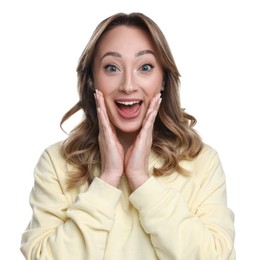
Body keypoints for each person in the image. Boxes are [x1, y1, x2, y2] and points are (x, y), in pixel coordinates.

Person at [20, 12, 236, 259]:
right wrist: (108, 179)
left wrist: (141, 181)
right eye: (112, 68)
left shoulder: (201, 162)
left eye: (145, 67)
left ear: (163, 79)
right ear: (92, 81)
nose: (128, 85)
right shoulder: (57, 162)